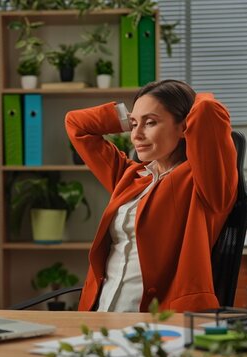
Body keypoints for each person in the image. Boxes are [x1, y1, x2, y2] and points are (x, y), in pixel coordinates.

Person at [64, 79, 237, 312]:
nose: (137, 135)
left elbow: (208, 110)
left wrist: (190, 103)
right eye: (134, 125)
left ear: (184, 126)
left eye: (151, 123)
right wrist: (126, 118)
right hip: (99, 314)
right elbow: (76, 124)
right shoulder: (130, 175)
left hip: (159, 322)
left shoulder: (203, 183)